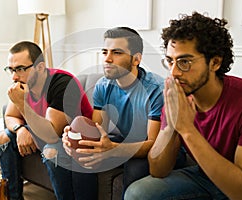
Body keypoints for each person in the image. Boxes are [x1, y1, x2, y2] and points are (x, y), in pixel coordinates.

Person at [124, 12, 242, 200]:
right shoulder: (179, 96)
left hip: (241, 180)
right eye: (170, 61)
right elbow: (158, 169)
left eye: (184, 62)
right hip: (204, 176)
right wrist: (171, 127)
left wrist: (187, 130)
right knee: (138, 193)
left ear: (215, 62)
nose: (174, 72)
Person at [62, 27, 168, 198]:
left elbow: (154, 144)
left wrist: (112, 149)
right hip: (126, 140)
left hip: (162, 150)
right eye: (105, 52)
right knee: (83, 156)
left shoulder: (155, 90)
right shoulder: (103, 86)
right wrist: (74, 137)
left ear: (136, 59)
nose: (107, 59)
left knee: (135, 168)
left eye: (117, 53)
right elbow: (96, 130)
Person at [0, 41, 97, 200]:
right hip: (43, 131)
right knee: (4, 138)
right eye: (11, 69)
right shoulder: (22, 83)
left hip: (73, 139)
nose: (14, 76)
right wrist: (20, 129)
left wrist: (22, 104)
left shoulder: (62, 83)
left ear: (40, 67)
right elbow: (10, 116)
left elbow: (52, 134)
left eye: (21, 69)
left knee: (52, 150)